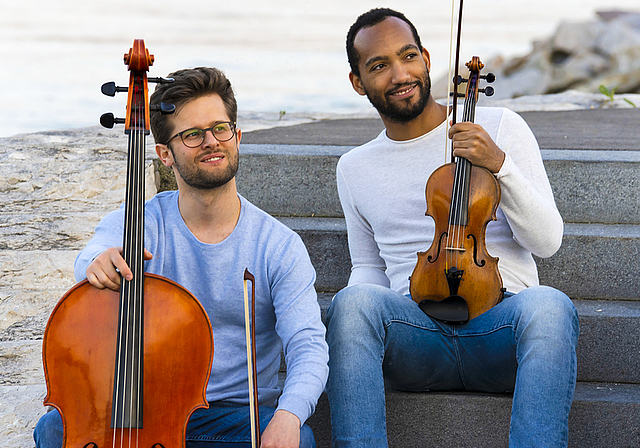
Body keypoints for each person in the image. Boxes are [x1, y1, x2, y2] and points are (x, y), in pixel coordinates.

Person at [34, 67, 329, 448]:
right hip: (145, 413)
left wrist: (289, 415)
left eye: (220, 128)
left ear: (237, 136)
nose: (211, 141)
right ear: (164, 154)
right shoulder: (144, 223)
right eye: (191, 134)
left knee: (299, 439)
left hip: (234, 421)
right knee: (55, 429)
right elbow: (94, 253)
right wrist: (97, 262)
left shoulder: (278, 245)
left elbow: (307, 345)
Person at [325, 8, 579, 448]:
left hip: (500, 327)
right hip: (417, 337)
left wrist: (499, 165)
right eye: (379, 65)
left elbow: (547, 241)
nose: (400, 74)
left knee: (551, 307)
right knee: (351, 302)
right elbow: (367, 267)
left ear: (425, 58)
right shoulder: (354, 168)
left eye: (407, 56)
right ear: (357, 82)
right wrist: (355, 318)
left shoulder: (499, 127)